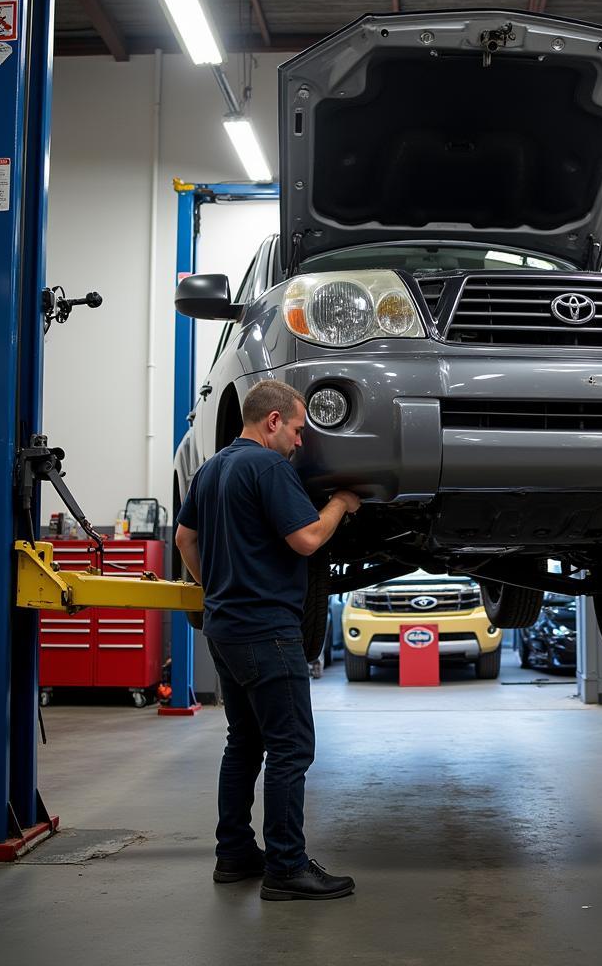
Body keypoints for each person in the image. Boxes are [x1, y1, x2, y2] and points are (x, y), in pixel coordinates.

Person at [175, 379, 361, 901]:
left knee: (245, 743)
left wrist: (214, 584)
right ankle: (286, 866)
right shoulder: (268, 466)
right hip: (266, 631)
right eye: (298, 430)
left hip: (225, 628)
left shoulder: (210, 468)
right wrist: (342, 503)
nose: (301, 442)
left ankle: (234, 855)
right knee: (290, 748)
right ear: (273, 421)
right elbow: (306, 539)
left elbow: (184, 538)